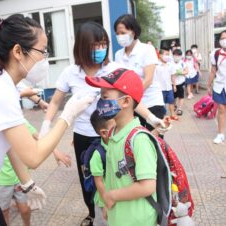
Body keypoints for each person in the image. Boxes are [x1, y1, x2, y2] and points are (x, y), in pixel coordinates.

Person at [0, 14, 95, 226]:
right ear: (18, 51)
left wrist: (27, 184)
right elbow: (34, 156)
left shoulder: (0, 84)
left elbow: (10, 143)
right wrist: (68, 115)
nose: (45, 59)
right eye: (43, 51)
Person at [39, 21, 166, 226]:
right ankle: (93, 213)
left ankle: (115, 208)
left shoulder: (114, 69)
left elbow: (131, 98)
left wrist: (151, 117)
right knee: (88, 179)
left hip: (109, 132)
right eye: (94, 45)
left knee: (114, 175)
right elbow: (55, 101)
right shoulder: (70, 72)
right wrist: (46, 125)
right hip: (83, 134)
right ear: (81, 46)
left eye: (103, 44)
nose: (100, 49)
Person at [85, 68, 158, 226]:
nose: (101, 103)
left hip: (137, 219)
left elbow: (148, 186)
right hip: (118, 215)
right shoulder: (113, 133)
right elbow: (113, 176)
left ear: (126, 101)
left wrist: (112, 196)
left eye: (105, 97)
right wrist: (107, 205)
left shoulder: (139, 140)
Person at [114, 14, 166, 131]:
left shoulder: (147, 50)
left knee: (153, 142)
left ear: (133, 31)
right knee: (134, 140)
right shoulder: (118, 55)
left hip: (151, 103)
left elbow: (148, 79)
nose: (120, 36)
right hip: (131, 105)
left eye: (123, 32)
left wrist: (131, 97)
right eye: (117, 34)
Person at [89, 111, 115, 226]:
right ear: (104, 133)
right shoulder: (98, 155)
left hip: (116, 196)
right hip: (103, 201)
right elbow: (98, 182)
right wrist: (106, 202)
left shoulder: (118, 145)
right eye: (116, 127)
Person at [207, 29, 226, 144]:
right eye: (222, 38)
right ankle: (221, 134)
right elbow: (213, 70)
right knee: (221, 109)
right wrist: (209, 84)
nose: (224, 40)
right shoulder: (215, 53)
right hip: (219, 85)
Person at [155, 48, 178, 120]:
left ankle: (172, 114)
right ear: (160, 55)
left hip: (169, 87)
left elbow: (173, 75)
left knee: (171, 101)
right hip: (160, 88)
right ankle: (163, 116)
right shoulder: (156, 65)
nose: (167, 56)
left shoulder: (170, 64)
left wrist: (174, 85)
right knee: (162, 103)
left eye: (168, 55)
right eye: (166, 54)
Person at [171, 49, 188, 116]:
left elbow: (186, 71)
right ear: (173, 55)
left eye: (178, 55)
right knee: (173, 97)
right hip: (172, 83)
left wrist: (180, 72)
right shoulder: (170, 63)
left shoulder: (182, 63)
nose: (177, 56)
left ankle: (180, 109)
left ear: (181, 56)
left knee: (181, 96)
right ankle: (175, 105)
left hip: (181, 82)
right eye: (175, 55)